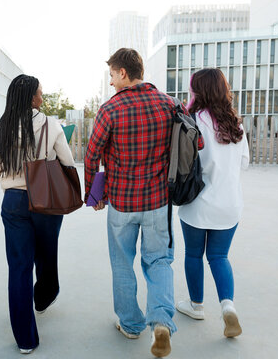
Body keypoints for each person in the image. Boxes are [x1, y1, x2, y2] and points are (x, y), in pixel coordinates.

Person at [84, 48, 182, 358]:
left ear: (123, 73)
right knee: (159, 261)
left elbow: (91, 155)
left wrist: (94, 193)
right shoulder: (170, 104)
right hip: (158, 201)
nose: (111, 81)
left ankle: (130, 325)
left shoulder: (110, 109)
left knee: (122, 263)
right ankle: (162, 323)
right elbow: (197, 142)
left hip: (122, 204)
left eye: (112, 75)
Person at [0, 74, 75, 354]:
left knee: (19, 267)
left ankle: (25, 340)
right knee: (47, 255)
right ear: (31, 97)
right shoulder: (50, 124)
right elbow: (68, 161)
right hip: (46, 200)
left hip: (13, 201)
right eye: (39, 93)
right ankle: (44, 297)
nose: (42, 98)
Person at [176, 68, 249, 338]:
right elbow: (244, 163)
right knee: (219, 256)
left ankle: (196, 305)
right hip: (230, 204)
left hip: (197, 203)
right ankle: (227, 306)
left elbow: (184, 163)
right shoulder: (236, 123)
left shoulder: (191, 121)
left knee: (194, 255)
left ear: (199, 90)